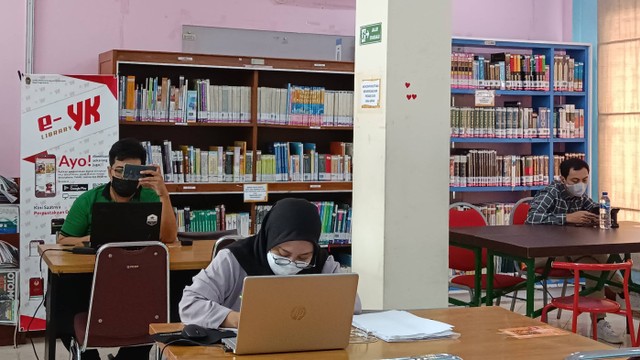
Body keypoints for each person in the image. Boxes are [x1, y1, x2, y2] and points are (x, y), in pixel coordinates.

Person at [56, 138, 177, 360]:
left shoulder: (151, 196)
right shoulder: (88, 199)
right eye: (120, 170)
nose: (124, 177)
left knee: (173, 293)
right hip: (91, 278)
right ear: (109, 171)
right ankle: (87, 355)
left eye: (132, 171)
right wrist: (92, 239)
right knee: (60, 298)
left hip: (139, 278)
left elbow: (169, 237)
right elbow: (63, 240)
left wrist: (164, 193)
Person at [179, 198, 361, 329]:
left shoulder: (321, 262)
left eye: (303, 257)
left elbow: (352, 306)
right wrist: (237, 320)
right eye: (283, 253)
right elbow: (189, 305)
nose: (292, 263)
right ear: (269, 239)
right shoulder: (234, 258)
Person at [526, 158, 637, 344]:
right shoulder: (551, 192)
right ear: (563, 179)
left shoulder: (580, 196)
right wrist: (567, 218)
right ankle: (624, 289)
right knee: (594, 257)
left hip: (572, 252)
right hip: (543, 254)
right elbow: (531, 218)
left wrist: (595, 216)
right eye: (575, 181)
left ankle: (600, 320)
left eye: (585, 180)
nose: (581, 185)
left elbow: (593, 208)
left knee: (593, 262)